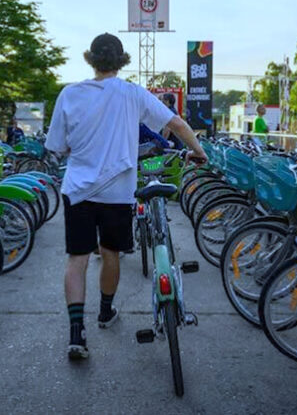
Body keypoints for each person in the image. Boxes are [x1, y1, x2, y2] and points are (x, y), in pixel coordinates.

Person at [44, 33, 207, 360]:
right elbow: (175, 123)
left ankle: (77, 332)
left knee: (77, 259)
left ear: (91, 59)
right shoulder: (133, 93)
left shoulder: (69, 94)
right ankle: (105, 311)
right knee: (111, 254)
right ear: (121, 61)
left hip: (77, 190)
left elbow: (56, 147)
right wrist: (199, 151)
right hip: (117, 193)